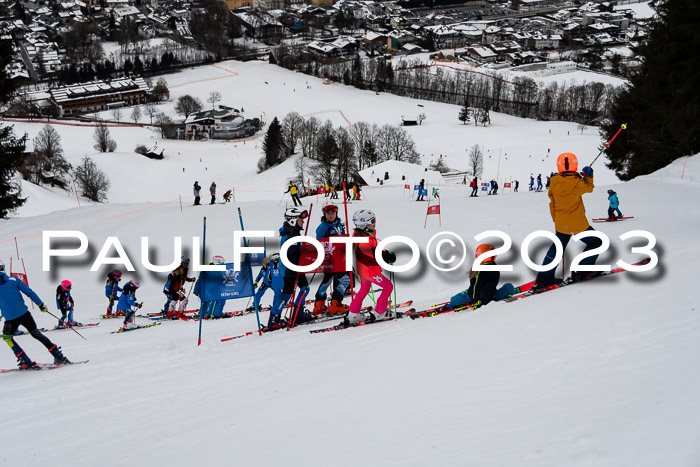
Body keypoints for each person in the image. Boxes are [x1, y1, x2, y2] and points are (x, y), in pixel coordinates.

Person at [535, 153, 602, 288]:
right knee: (596, 242)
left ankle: (544, 278)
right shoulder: (578, 182)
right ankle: (582, 270)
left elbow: (552, 202)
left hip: (561, 222)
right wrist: (588, 176)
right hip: (578, 224)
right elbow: (589, 188)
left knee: (557, 248)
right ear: (574, 165)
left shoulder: (553, 181)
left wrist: (557, 220)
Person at [0, 260, 70, 369]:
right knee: (37, 334)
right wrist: (41, 305)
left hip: (10, 318)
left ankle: (25, 361)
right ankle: (59, 356)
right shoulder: (14, 280)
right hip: (24, 314)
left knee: (7, 337)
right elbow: (30, 292)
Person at [267, 208, 314, 330]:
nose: (302, 223)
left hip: (295, 267)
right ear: (293, 221)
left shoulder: (294, 233)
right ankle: (274, 318)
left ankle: (298, 313)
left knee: (305, 288)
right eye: (300, 220)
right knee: (287, 293)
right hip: (290, 269)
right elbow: (292, 254)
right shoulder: (291, 235)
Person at [347, 209, 394, 325]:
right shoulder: (363, 241)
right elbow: (369, 259)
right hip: (369, 271)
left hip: (364, 270)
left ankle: (353, 314)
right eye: (372, 221)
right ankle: (380, 312)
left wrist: (385, 254)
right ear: (364, 225)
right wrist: (384, 259)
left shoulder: (364, 236)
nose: (374, 224)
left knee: (364, 290)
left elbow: (374, 251)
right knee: (388, 286)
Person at [444, 245, 515, 311]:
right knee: (453, 300)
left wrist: (481, 301)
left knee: (454, 301)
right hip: (479, 296)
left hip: (482, 297)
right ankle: (504, 295)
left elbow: (488, 287)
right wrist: (480, 300)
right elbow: (478, 286)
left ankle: (452, 305)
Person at [312, 203, 351, 316]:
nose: (331, 215)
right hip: (330, 259)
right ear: (324, 214)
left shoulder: (340, 223)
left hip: (341, 258)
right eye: (328, 213)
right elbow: (320, 244)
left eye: (333, 212)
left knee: (332, 279)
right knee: (341, 279)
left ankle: (321, 304)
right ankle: (333, 304)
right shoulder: (322, 228)